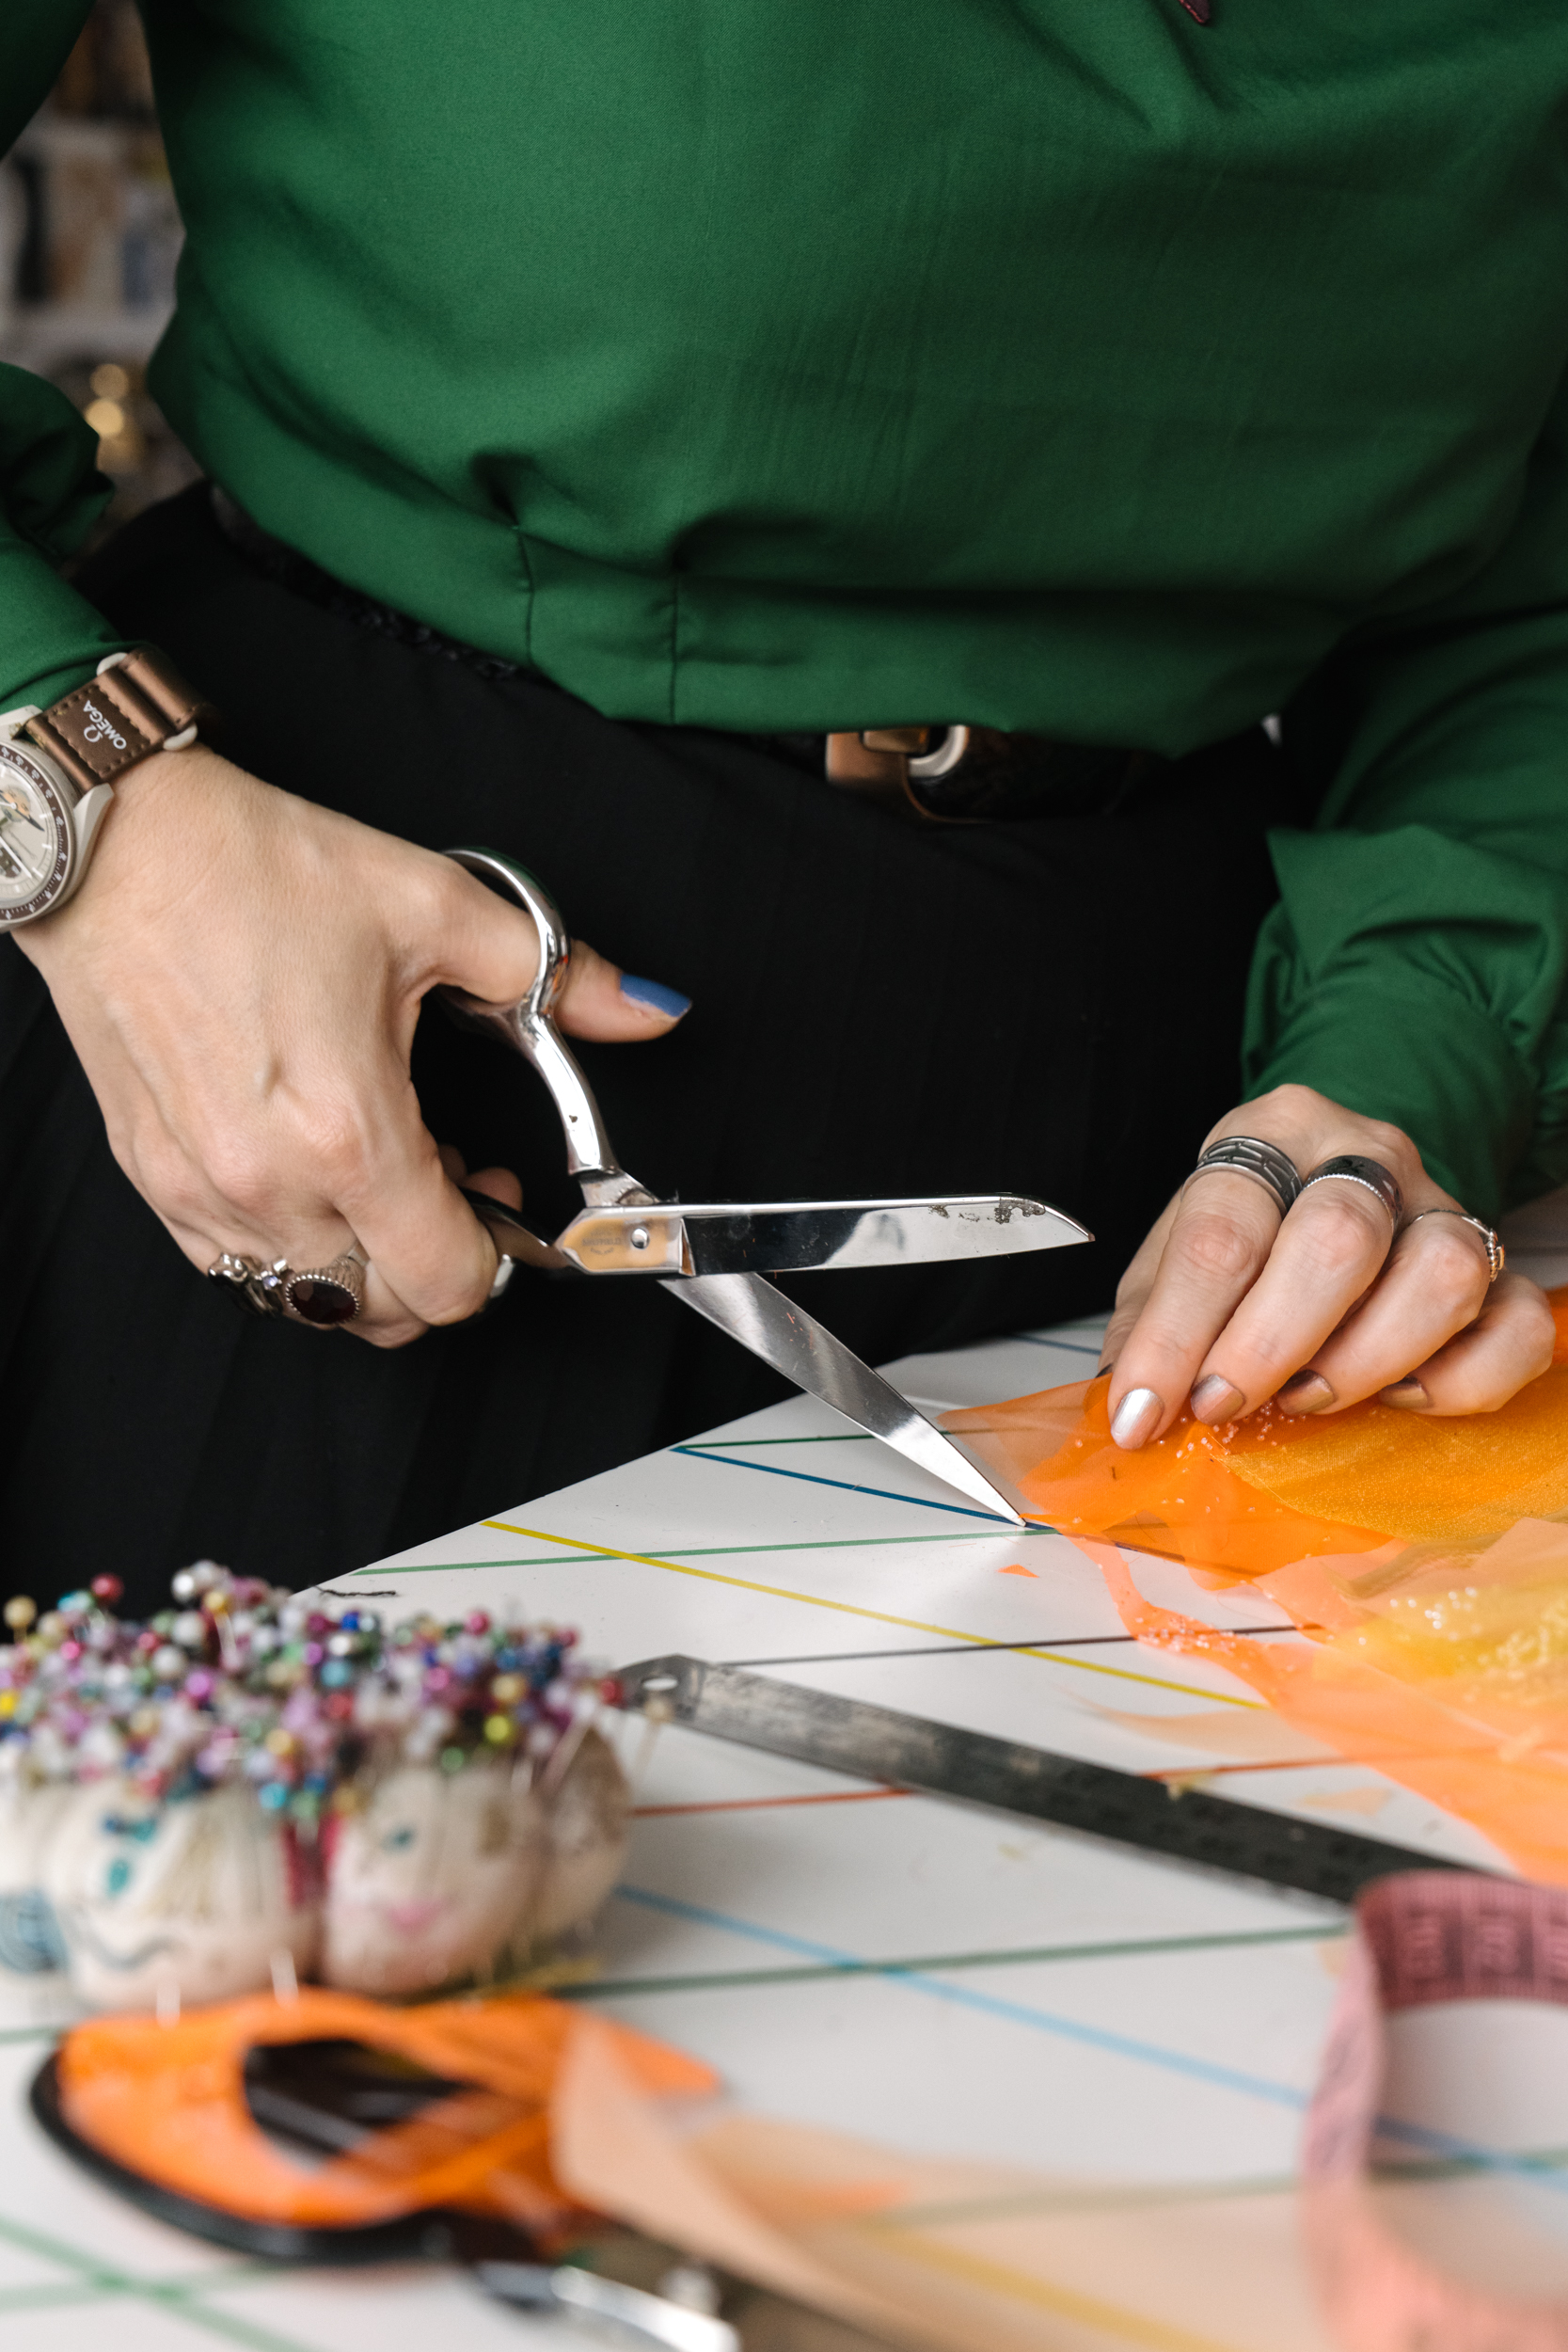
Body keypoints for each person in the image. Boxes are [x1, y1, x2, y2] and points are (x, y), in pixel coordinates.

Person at [2, 2, 1562, 1612]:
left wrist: (1407, 1048)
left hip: (1185, 1129)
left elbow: (1530, 606)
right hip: (326, 1028)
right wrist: (85, 822)